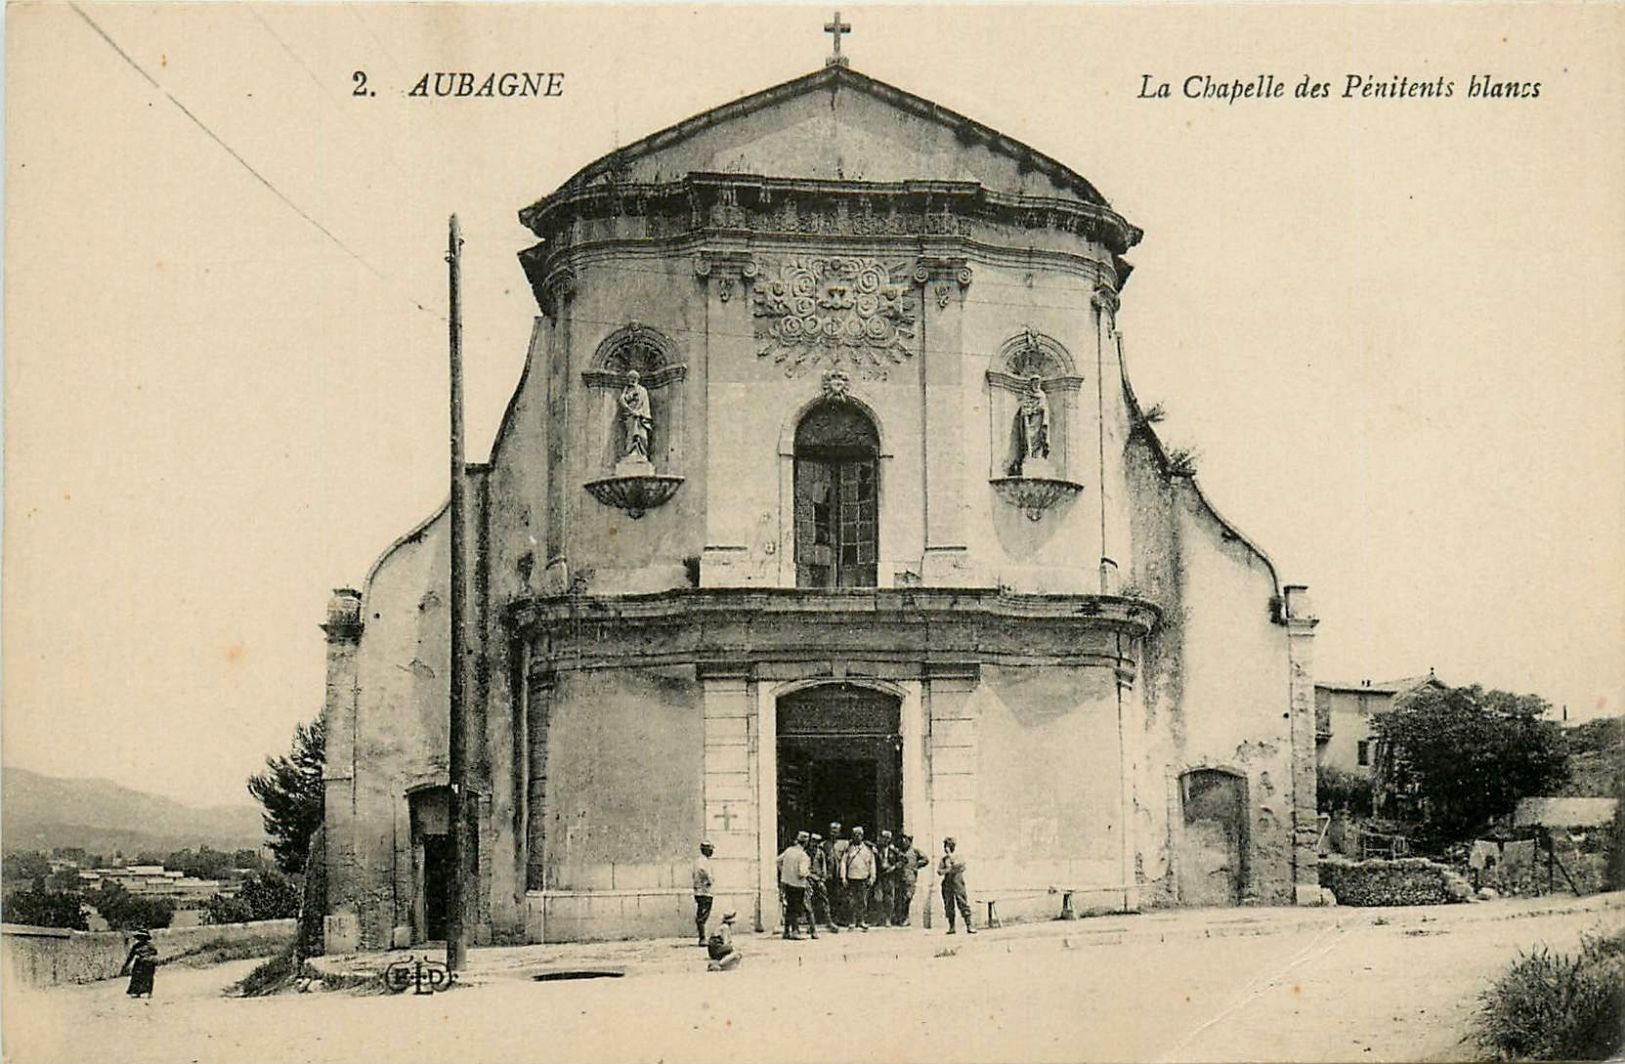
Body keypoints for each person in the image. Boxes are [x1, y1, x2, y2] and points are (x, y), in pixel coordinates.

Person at [777, 831, 816, 939]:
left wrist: (785, 871)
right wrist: (808, 873)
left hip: (787, 882)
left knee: (789, 908)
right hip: (798, 884)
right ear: (806, 842)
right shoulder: (803, 855)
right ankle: (794, 931)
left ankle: (786, 932)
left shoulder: (788, 851)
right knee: (795, 908)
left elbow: (778, 861)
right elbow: (802, 872)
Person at [840, 826, 878, 930]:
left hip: (863, 878)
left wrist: (872, 877)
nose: (857, 837)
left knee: (862, 901)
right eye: (855, 835)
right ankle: (852, 921)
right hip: (851, 878)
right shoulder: (848, 849)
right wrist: (843, 877)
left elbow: (872, 864)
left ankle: (861, 921)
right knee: (851, 901)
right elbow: (843, 863)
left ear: (862, 836)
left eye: (859, 834)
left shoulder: (868, 849)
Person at [939, 836, 975, 934]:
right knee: (949, 904)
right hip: (947, 883)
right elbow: (940, 871)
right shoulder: (943, 859)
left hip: (958, 882)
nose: (946, 848)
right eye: (945, 845)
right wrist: (947, 870)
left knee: (962, 902)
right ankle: (952, 927)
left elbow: (960, 866)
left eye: (948, 845)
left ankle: (969, 925)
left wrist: (950, 856)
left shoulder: (958, 857)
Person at [806, 832, 839, 934]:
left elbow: (824, 868)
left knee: (824, 899)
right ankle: (811, 925)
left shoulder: (821, 853)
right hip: (809, 879)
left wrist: (822, 880)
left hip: (819, 879)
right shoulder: (806, 852)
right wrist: (809, 878)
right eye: (812, 842)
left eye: (816, 842)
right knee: (808, 902)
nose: (814, 844)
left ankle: (829, 922)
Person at [894, 833, 930, 926]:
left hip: (910, 879)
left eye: (906, 840)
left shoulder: (915, 851)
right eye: (902, 840)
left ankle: (906, 918)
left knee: (907, 898)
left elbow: (926, 860)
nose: (903, 842)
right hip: (900, 878)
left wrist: (916, 866)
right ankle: (900, 918)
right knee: (900, 898)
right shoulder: (899, 852)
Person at [619, 370, 653, 461]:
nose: (632, 380)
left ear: (637, 379)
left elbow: (645, 405)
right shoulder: (626, 391)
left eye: (634, 378)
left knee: (643, 436)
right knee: (631, 436)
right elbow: (622, 401)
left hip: (641, 418)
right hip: (629, 416)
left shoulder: (642, 390)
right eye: (630, 378)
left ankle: (642, 453)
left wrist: (640, 413)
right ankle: (631, 452)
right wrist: (629, 397)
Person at [822, 822, 850, 926]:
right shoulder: (824, 844)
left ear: (839, 832)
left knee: (842, 897)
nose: (833, 833)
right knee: (830, 897)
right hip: (829, 875)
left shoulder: (844, 844)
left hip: (840, 875)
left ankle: (841, 918)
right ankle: (830, 919)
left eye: (836, 831)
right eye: (832, 831)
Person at [120, 928, 159, 998]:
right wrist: (126, 965)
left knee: (147, 978)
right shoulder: (135, 946)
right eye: (140, 937)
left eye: (143, 937)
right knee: (136, 977)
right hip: (139, 963)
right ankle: (136, 991)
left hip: (148, 963)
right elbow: (130, 956)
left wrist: (149, 957)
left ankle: (147, 991)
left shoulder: (150, 946)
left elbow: (155, 952)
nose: (141, 939)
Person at [874, 830, 901, 926]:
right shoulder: (877, 849)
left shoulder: (894, 850)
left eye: (886, 838)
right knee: (878, 898)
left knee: (889, 898)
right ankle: (879, 918)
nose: (884, 840)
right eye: (883, 837)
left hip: (890, 876)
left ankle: (888, 919)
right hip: (880, 876)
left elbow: (902, 861)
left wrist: (893, 867)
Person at [692, 839, 715, 946]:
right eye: (710, 849)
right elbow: (703, 872)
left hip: (701, 891)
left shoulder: (700, 861)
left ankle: (702, 937)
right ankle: (702, 938)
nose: (711, 851)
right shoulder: (702, 862)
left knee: (702, 914)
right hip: (704, 891)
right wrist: (709, 881)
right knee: (702, 915)